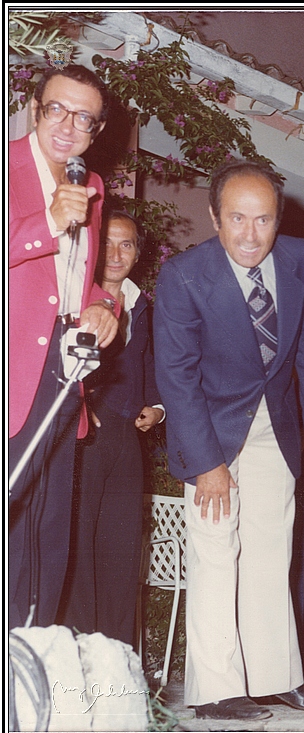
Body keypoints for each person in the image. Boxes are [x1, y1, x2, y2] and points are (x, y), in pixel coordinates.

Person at [154, 160, 304, 721]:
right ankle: (215, 689)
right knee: (215, 552)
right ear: (214, 217)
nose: (251, 235)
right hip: (210, 424)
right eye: (237, 219)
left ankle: (274, 675)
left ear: (279, 219)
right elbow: (177, 378)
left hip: (276, 425)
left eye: (263, 220)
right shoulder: (184, 276)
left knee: (270, 549)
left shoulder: (300, 259)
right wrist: (208, 463)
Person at [9, 64, 120, 629]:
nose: (68, 126)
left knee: (49, 522)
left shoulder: (91, 186)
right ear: (34, 108)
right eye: (57, 109)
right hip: (13, 367)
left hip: (65, 366)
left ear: (96, 130)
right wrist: (46, 221)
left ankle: (34, 651)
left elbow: (80, 279)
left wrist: (106, 306)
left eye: (84, 117)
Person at [59, 210, 164, 645]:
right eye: (110, 243)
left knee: (122, 550)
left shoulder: (142, 304)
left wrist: (158, 407)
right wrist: (79, 404)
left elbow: (150, 364)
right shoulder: (78, 297)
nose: (117, 253)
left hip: (126, 438)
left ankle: (118, 664)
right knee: (79, 547)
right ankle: (80, 658)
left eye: (128, 244)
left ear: (138, 253)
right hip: (87, 435)